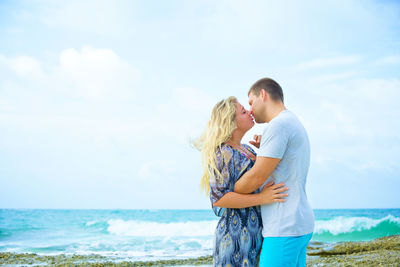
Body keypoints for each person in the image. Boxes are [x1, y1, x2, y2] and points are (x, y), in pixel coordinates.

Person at [194, 96, 289, 267]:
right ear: (232, 122)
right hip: (235, 238)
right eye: (244, 112)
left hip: (257, 233)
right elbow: (219, 199)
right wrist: (262, 199)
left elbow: (265, 176)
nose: (250, 112)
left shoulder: (248, 149)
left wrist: (266, 149)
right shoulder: (223, 152)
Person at [234, 78, 315, 267]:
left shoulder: (278, 126)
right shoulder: (292, 121)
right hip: (299, 223)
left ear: (263, 94)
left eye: (251, 102)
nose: (251, 110)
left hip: (284, 226)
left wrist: (231, 189)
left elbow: (256, 178)